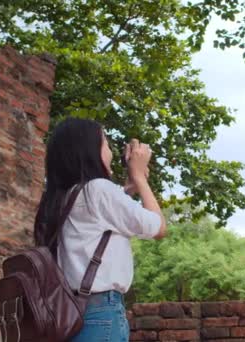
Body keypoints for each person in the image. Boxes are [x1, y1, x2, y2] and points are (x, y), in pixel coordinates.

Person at [33, 117, 167, 341]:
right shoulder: (98, 190)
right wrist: (140, 179)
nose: (111, 153)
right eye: (105, 144)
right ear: (89, 151)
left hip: (66, 311)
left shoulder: (60, 197)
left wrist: (128, 188)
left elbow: (97, 216)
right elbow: (158, 228)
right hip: (100, 312)